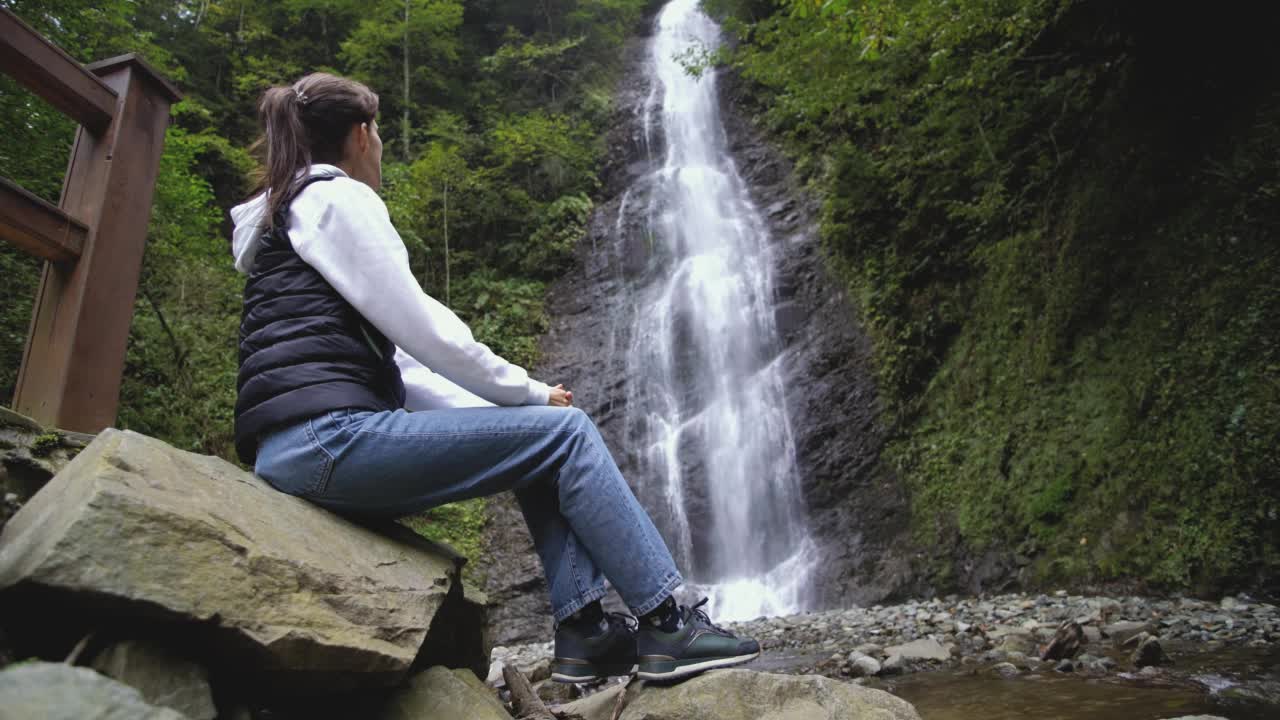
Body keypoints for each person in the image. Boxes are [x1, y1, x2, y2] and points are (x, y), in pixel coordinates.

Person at [228, 72, 759, 683]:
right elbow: (424, 328)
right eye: (379, 136)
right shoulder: (336, 199)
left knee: (541, 440)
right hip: (330, 439)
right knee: (568, 434)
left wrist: (523, 408)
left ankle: (584, 633)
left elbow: (406, 372)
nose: (380, 150)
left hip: (296, 448)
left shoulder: (284, 220)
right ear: (361, 134)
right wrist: (527, 390)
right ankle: (669, 623)